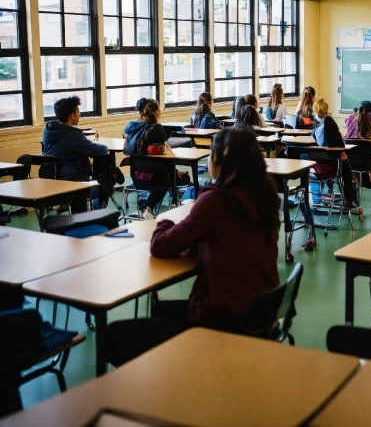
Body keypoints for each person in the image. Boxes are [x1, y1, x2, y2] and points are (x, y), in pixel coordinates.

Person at [104, 128, 280, 367]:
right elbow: (226, 241)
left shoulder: (217, 200)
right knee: (165, 311)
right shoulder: (265, 195)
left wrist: (163, 220)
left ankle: (181, 369)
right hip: (260, 311)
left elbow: (160, 245)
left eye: (211, 154)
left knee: (117, 336)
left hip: (226, 314)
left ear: (221, 159)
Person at [42, 95, 109, 213]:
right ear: (72, 115)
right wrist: (97, 143)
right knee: (105, 183)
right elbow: (101, 151)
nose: (79, 114)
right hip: (73, 179)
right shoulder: (73, 136)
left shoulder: (49, 132)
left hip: (52, 180)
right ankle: (96, 214)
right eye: (78, 111)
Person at [123, 99, 173, 220]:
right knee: (168, 181)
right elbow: (165, 147)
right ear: (156, 113)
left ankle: (146, 209)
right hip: (154, 177)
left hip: (135, 177)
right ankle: (148, 208)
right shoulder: (157, 129)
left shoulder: (131, 127)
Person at [312, 99, 357, 209]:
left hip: (315, 168)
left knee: (344, 163)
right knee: (346, 165)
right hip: (332, 169)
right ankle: (350, 199)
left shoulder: (316, 131)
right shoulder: (332, 129)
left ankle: (316, 199)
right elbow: (341, 147)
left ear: (315, 113)